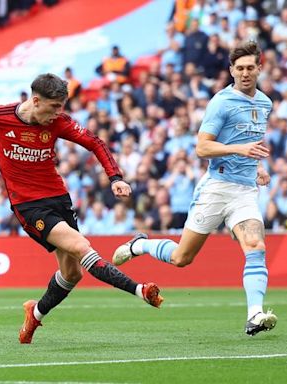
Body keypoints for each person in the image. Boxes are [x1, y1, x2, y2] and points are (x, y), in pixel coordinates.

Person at [0, 73, 164, 344]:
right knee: (81, 246)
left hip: (59, 199)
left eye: (62, 107)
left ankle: (34, 315)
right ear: (36, 101)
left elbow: (94, 143)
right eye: (54, 107)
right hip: (28, 206)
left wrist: (115, 178)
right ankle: (140, 290)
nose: (58, 114)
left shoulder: (59, 122)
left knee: (72, 273)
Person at [112, 41, 277, 336]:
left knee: (256, 246)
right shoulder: (221, 102)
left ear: (259, 69)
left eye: (250, 67)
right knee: (181, 259)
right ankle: (141, 244)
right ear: (231, 71)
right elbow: (202, 147)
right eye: (239, 68)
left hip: (245, 191)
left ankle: (255, 315)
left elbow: (253, 143)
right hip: (216, 187)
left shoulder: (265, 104)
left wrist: (259, 167)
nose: (245, 73)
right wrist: (241, 150)